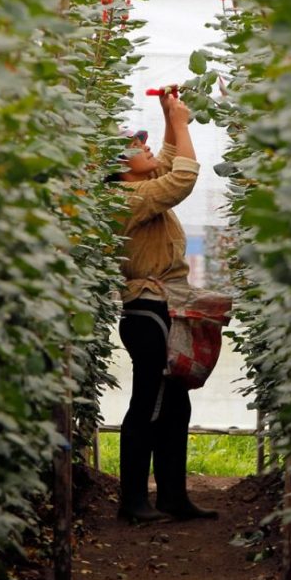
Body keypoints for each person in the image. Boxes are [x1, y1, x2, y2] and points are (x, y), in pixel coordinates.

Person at [111, 88, 218, 523]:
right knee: (149, 403)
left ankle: (173, 497)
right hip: (147, 312)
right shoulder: (126, 199)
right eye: (138, 146)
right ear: (120, 165)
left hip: (161, 308)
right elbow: (183, 178)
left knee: (175, 404)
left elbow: (170, 164)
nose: (147, 145)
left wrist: (169, 117)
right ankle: (133, 501)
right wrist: (180, 122)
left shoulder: (140, 187)